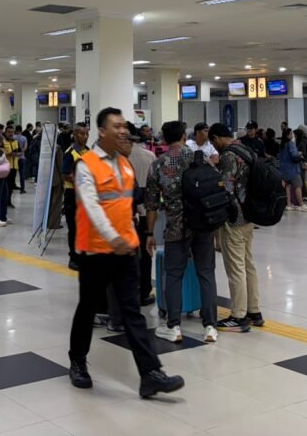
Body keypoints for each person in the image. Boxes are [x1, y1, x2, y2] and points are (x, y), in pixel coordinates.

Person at [67, 107, 184, 399]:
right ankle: (78, 361)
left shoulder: (126, 164)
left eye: (123, 126)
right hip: (95, 251)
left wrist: (140, 236)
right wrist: (112, 237)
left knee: (133, 312)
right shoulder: (86, 165)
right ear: (102, 131)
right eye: (116, 126)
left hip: (125, 250)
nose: (122, 130)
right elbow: (91, 206)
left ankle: (150, 374)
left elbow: (130, 207)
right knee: (88, 308)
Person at [145, 120, 219, 344]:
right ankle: (210, 328)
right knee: (206, 273)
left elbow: (151, 205)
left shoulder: (158, 165)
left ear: (165, 140)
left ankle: (174, 326)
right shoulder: (201, 159)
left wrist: (150, 234)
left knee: (173, 275)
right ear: (184, 136)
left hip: (176, 228)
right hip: (203, 226)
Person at [209, 124, 262, 332]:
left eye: (214, 142)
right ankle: (254, 311)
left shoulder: (228, 156)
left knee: (235, 268)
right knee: (248, 264)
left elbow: (226, 188)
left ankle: (238, 316)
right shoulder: (246, 150)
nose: (214, 146)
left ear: (216, 138)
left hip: (234, 219)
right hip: (250, 217)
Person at [124, 124, 157, 307]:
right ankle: (144, 291)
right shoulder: (149, 156)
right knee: (145, 254)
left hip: (128, 213)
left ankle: (128, 292)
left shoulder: (117, 159)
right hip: (146, 211)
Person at [61, 123, 90, 270]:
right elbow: (66, 174)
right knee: (73, 228)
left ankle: (83, 255)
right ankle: (73, 258)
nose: (84, 136)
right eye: (81, 134)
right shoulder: (70, 153)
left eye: (86, 133)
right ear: (74, 134)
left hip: (86, 195)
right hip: (73, 195)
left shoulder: (88, 151)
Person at [279, 127, 307, 212]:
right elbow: (294, 155)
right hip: (293, 169)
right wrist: (299, 154)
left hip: (284, 169)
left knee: (288, 187)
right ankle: (301, 204)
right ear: (288, 135)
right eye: (291, 133)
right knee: (298, 186)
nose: (292, 135)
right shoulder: (290, 143)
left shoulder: (282, 145)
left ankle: (288, 204)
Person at [3, 124, 21, 201]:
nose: (11, 134)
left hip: (14, 166)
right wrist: (9, 154)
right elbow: (0, 154)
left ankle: (9, 201)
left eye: (12, 132)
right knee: (5, 185)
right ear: (5, 132)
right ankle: (4, 201)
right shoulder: (2, 142)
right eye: (9, 132)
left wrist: (17, 154)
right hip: (6, 167)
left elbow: (20, 152)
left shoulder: (16, 142)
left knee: (11, 185)